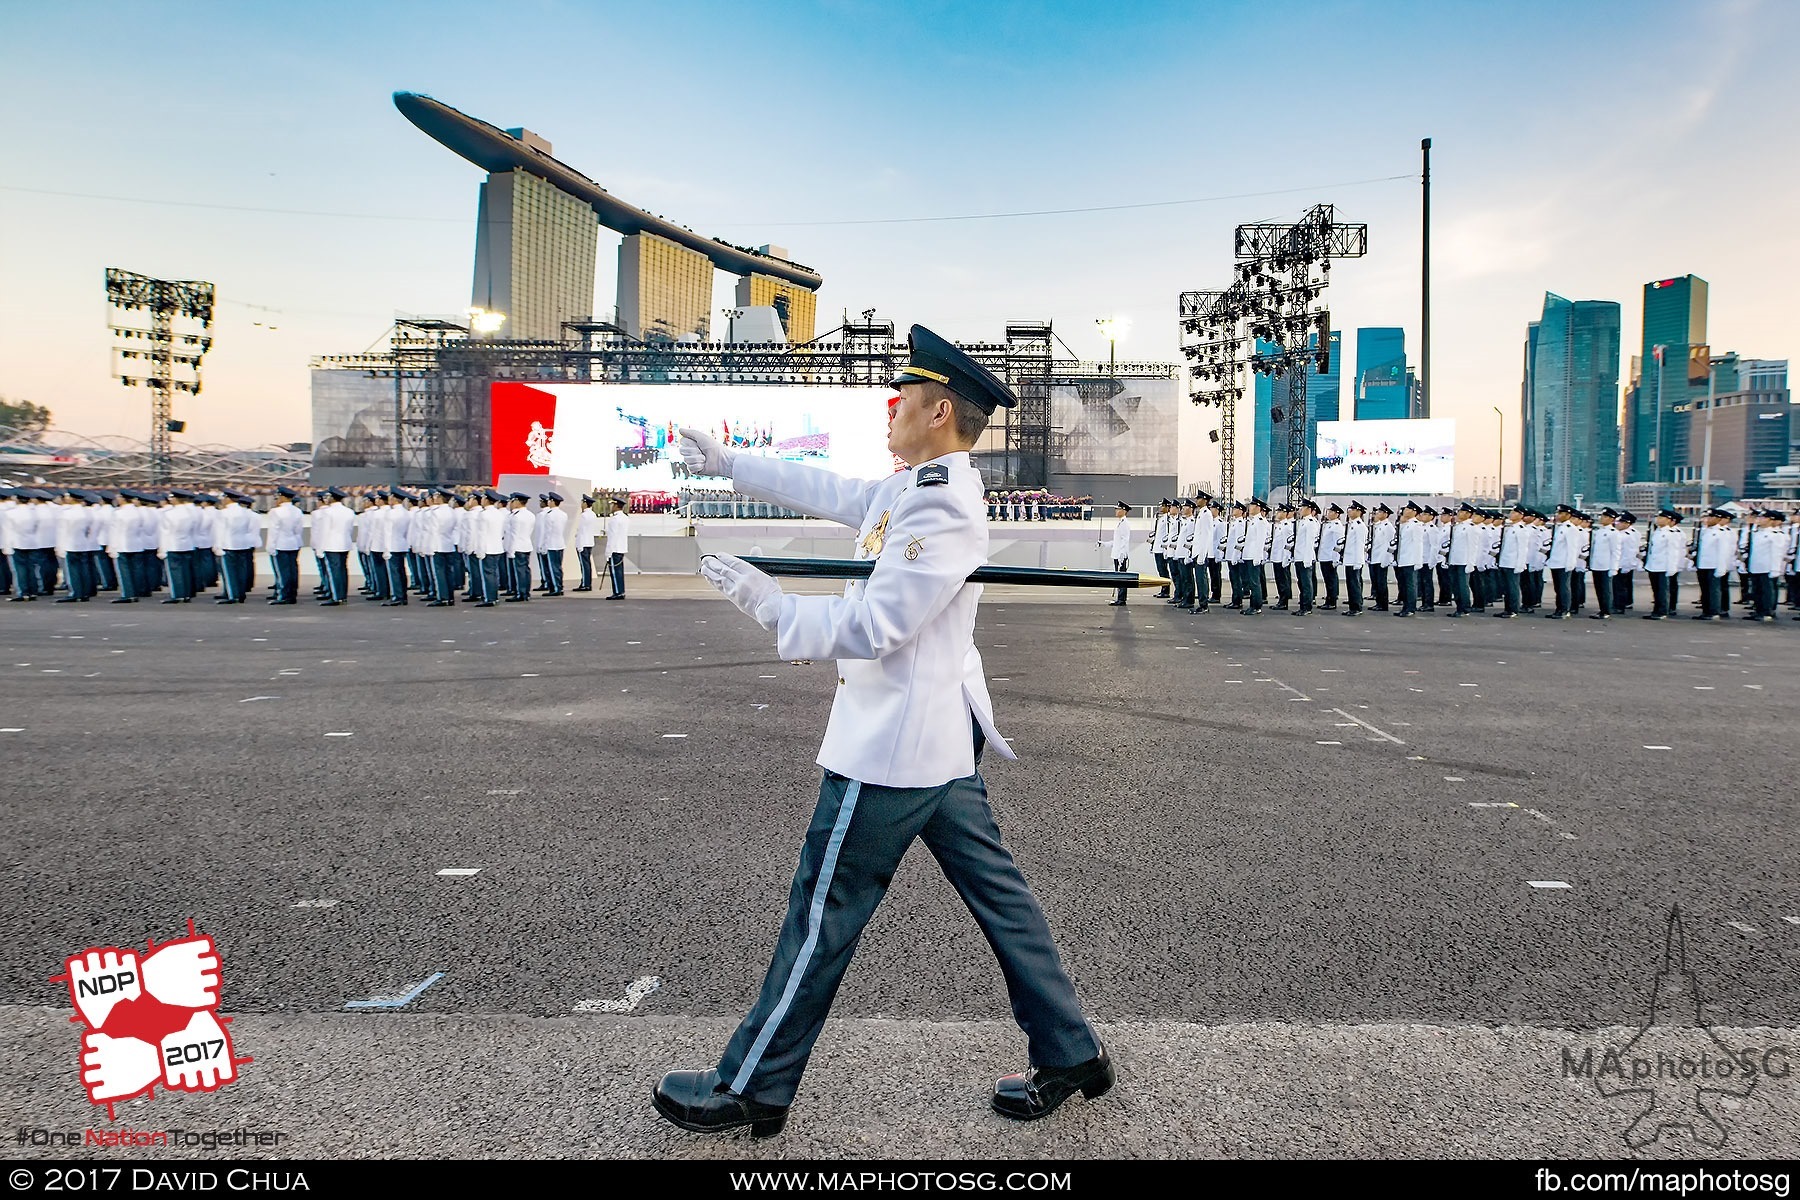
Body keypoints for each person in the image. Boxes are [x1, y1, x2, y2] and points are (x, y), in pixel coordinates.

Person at [656, 324, 1109, 1138]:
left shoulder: (941, 505)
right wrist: (730, 462)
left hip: (895, 747)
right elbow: (840, 494)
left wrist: (775, 607)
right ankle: (1069, 1048)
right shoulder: (918, 486)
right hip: (934, 737)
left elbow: (882, 622)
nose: (890, 408)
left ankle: (749, 1084)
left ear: (939, 411)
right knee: (1001, 899)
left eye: (903, 398)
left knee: (824, 906)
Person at [603, 497, 630, 599]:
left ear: (616, 506)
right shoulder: (625, 518)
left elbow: (613, 537)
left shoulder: (614, 519)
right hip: (621, 547)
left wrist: (608, 552)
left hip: (614, 548)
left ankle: (617, 592)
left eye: (612, 505)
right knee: (619, 572)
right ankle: (620, 591)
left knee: (614, 572)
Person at [1108, 500, 1132, 606]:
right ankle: (1120, 597)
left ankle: (1121, 598)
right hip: (1117, 554)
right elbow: (1116, 541)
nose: (1116, 511)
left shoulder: (1125, 524)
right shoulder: (1120, 523)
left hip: (1120, 555)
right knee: (1118, 577)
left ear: (1123, 511)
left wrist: (1122, 554)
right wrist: (1104, 544)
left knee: (1121, 578)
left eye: (1118, 509)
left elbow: (1125, 540)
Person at [574, 495, 600, 592]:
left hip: (583, 542)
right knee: (587, 564)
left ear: (585, 503)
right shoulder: (592, 514)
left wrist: (579, 545)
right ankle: (585, 582)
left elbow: (581, 531)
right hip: (589, 542)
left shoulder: (584, 515)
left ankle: (585, 584)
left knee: (584, 565)